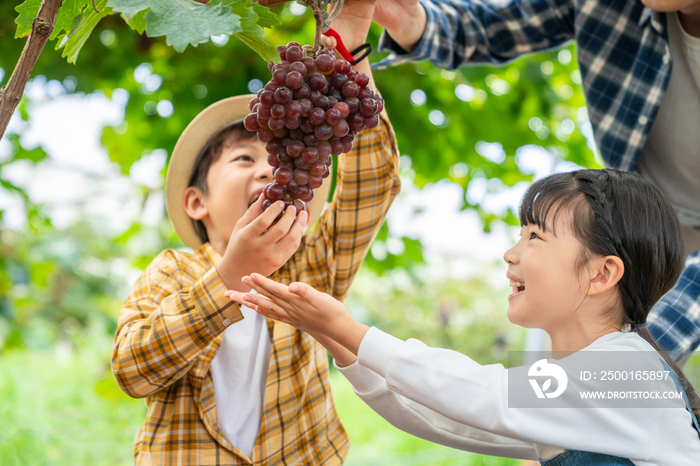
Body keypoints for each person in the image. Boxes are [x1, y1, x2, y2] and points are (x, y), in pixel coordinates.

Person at [226, 169, 700, 465]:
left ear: (601, 274)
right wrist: (340, 344)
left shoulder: (625, 372)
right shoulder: (589, 380)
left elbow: (479, 393)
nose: (510, 254)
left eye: (535, 237)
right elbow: (448, 421)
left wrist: (349, 328)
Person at [110, 5, 401, 463]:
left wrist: (351, 54)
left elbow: (374, 182)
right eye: (244, 159)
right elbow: (133, 370)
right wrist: (230, 274)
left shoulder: (312, 263)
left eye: (278, 161)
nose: (268, 171)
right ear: (196, 203)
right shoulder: (172, 271)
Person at [367, 0, 700, 361]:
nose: (511, 255)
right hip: (645, 237)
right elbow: (488, 26)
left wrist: (634, 361)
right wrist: (414, 21)